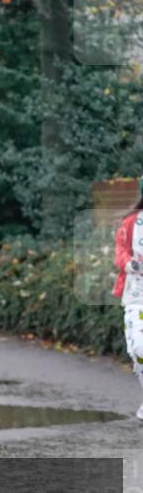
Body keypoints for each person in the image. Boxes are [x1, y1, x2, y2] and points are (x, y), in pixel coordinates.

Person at [112, 179, 143, 421]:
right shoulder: (131, 223)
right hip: (135, 296)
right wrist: (129, 263)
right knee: (138, 349)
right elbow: (119, 252)